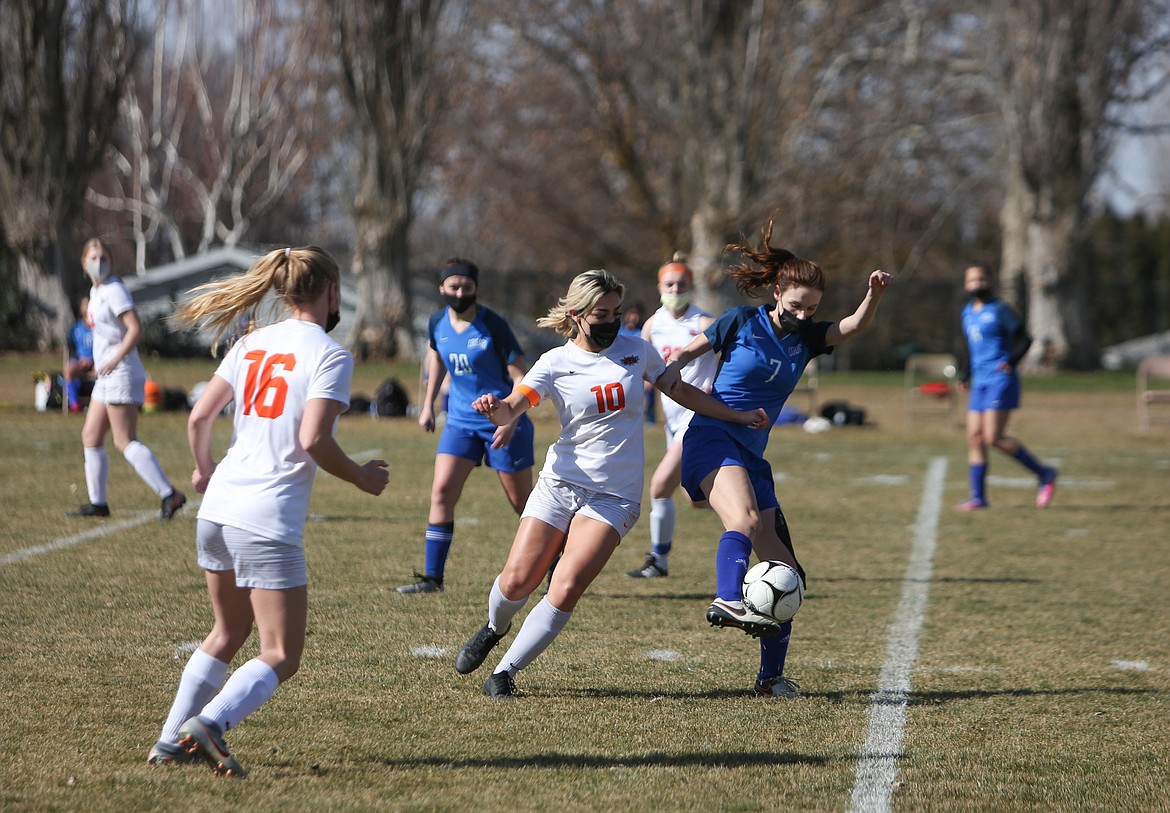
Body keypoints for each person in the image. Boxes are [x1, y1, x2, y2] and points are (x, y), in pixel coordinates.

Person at [452, 269, 768, 699]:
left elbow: (679, 389)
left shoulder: (637, 352)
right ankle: (494, 627)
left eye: (617, 312)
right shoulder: (554, 363)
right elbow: (513, 406)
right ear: (577, 314)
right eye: (602, 313)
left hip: (614, 495)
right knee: (516, 581)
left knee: (564, 586)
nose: (612, 321)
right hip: (560, 483)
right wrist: (494, 409)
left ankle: (504, 673)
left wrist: (735, 415)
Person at [148, 246, 389, 777]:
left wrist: (205, 470)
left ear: (283, 289)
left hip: (217, 508)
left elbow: (198, 418)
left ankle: (169, 741)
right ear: (331, 293)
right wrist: (362, 477)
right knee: (281, 654)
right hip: (265, 516)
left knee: (227, 633)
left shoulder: (252, 342)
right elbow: (314, 439)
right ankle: (208, 726)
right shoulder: (330, 353)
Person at [667, 222, 893, 698]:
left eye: (811, 309)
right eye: (795, 306)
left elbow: (852, 327)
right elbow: (687, 353)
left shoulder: (806, 338)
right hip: (712, 438)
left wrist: (871, 295)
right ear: (777, 292)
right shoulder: (741, 322)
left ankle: (769, 680)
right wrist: (667, 371)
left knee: (787, 575)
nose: (802, 315)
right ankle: (728, 599)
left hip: (752, 454)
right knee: (745, 520)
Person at [397, 258, 535, 594]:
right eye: (453, 286)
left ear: (476, 288)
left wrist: (511, 419)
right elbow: (438, 358)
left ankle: (555, 565)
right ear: (441, 288)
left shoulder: (494, 326)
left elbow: (522, 377)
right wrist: (428, 405)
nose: (460, 293)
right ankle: (433, 579)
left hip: (500, 423)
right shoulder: (437, 322)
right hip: (460, 422)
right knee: (441, 491)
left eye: (467, 287)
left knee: (524, 505)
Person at [68, 239, 187, 520]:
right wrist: (97, 361)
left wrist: (113, 358)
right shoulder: (95, 292)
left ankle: (170, 495)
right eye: (93, 257)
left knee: (124, 440)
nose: (99, 261)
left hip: (121, 373)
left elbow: (135, 330)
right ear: (84, 263)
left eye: (104, 256)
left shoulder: (114, 290)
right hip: (107, 375)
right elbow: (106, 334)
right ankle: (98, 504)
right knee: (91, 435)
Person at [626, 259, 717, 579]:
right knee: (696, 498)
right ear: (659, 288)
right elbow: (644, 371)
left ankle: (658, 560)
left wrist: (715, 387)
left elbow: (732, 360)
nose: (675, 290)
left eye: (682, 284)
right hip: (673, 420)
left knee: (660, 486)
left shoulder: (705, 323)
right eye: (669, 285)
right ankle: (752, 518)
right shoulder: (652, 325)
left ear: (691, 287)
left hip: (698, 415)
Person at [955, 263, 1058, 511]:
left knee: (993, 437)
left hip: (999, 381)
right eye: (971, 281)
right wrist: (965, 375)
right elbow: (973, 348)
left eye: (980, 279)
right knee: (974, 438)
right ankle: (978, 498)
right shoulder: (967, 313)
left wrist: (1010, 361)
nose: (976, 284)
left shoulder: (999, 309)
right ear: (966, 285)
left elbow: (1025, 338)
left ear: (988, 282)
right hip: (979, 382)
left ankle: (1044, 473)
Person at [64, 296, 95, 413]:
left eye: (89, 305)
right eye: (84, 305)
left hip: (97, 362)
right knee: (68, 370)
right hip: (80, 363)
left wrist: (93, 360)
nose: (87, 308)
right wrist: (78, 359)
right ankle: (74, 405)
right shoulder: (75, 328)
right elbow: (71, 348)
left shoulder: (98, 327)